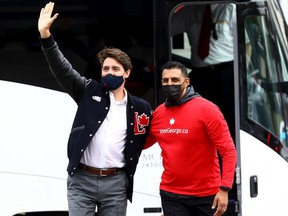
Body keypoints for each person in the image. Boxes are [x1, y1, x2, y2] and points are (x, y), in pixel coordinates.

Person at [38, 2, 152, 216]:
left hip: (116, 184)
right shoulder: (88, 91)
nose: (109, 72)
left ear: (126, 73)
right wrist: (46, 37)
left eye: (115, 69)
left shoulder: (141, 108)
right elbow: (63, 70)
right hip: (81, 181)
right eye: (105, 68)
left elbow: (157, 132)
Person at [144, 61, 237, 216]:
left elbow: (228, 151)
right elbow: (142, 144)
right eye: (165, 81)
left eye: (174, 80)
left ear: (186, 82)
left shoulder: (207, 110)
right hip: (171, 195)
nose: (169, 84)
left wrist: (224, 189)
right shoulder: (159, 114)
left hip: (207, 195)